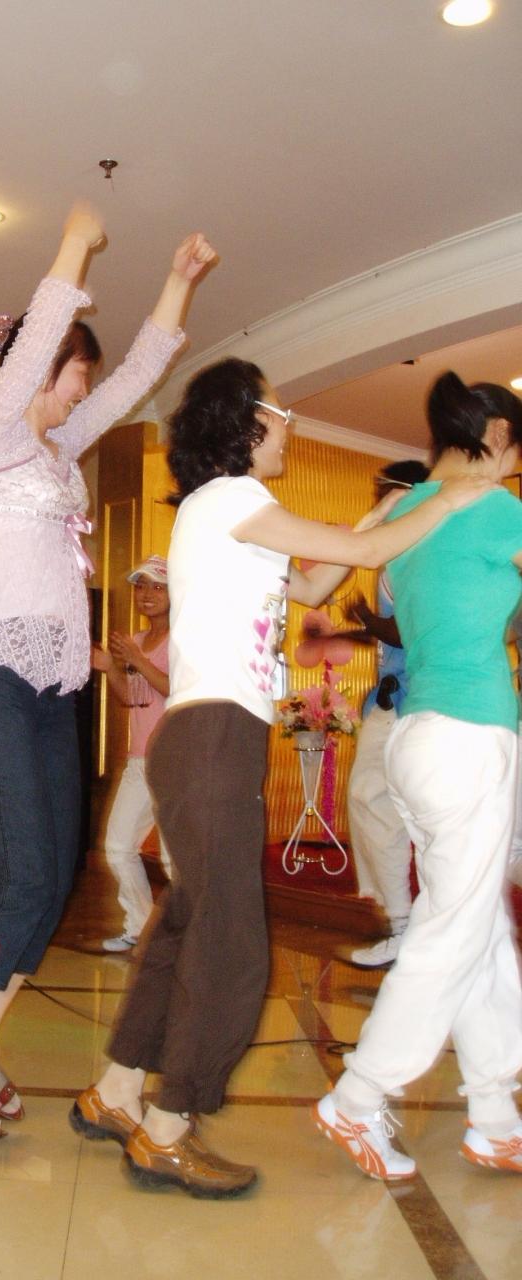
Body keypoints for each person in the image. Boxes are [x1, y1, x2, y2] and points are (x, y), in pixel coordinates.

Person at [70, 355, 491, 1198]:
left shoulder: (227, 512)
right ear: (244, 422)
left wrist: (386, 505)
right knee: (231, 944)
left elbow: (315, 581)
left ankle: (116, 1090)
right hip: (215, 736)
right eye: (280, 411)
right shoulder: (232, 498)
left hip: (206, 736)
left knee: (186, 925)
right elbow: (363, 554)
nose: (288, 425)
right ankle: (169, 1128)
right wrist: (451, 495)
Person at [0, 205, 218, 1141]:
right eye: (78, 373)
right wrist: (75, 242)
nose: (84, 390)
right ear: (46, 369)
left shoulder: (62, 450)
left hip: (54, 692)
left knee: (53, 876)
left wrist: (179, 282)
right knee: (26, 876)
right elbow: (44, 331)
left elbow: (140, 374)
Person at [314, 372, 522, 1181]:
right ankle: (358, 1096)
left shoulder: (405, 516)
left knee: (476, 924)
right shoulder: (494, 508)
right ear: (496, 437)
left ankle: (495, 1114)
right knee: (454, 930)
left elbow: (407, 603)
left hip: (415, 735)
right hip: (469, 733)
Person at [343, 459, 429, 968]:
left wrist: (365, 617)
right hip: (391, 699)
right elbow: (389, 633)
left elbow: (410, 630)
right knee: (371, 799)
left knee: (410, 810)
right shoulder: (395, 553)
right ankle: (401, 923)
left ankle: (416, 927)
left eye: (383, 492)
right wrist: (350, 631)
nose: (376, 502)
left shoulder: (413, 553)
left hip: (418, 702)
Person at [91, 555, 172, 951]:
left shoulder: (185, 638)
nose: (146, 594)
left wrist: (136, 661)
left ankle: (189, 935)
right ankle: (141, 926)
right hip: (139, 760)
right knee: (118, 847)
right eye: (141, 586)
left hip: (174, 761)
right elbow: (132, 698)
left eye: (157, 586)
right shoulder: (137, 641)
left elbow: (178, 688)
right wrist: (110, 667)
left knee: (175, 859)